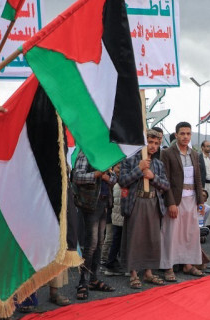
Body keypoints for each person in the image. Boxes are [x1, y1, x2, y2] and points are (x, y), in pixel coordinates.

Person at [119, 129, 170, 288]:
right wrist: (139, 169)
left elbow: (166, 185)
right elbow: (122, 181)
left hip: (153, 203)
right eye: (150, 142)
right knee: (135, 238)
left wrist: (152, 177)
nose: (153, 146)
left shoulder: (158, 164)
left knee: (152, 239)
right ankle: (133, 273)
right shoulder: (129, 160)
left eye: (156, 143)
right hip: (136, 202)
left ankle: (148, 272)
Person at [160, 122, 205, 280]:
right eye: (182, 133)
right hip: (176, 200)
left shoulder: (194, 153)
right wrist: (171, 202)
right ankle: (168, 267)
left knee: (190, 233)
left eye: (188, 133)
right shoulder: (167, 153)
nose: (186, 136)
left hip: (191, 198)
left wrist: (200, 201)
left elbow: (197, 178)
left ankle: (188, 264)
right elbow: (165, 180)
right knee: (171, 234)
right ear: (176, 134)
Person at [72, 151, 117, 300]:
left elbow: (115, 178)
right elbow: (76, 177)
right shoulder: (86, 153)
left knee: (99, 244)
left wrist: (106, 176)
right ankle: (83, 282)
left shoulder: (106, 155)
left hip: (103, 203)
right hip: (90, 204)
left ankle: (93, 279)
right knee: (91, 244)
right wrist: (97, 174)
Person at [199, 140, 210, 226]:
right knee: (203, 204)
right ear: (202, 147)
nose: (209, 148)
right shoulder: (198, 157)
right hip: (203, 184)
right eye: (207, 146)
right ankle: (202, 225)